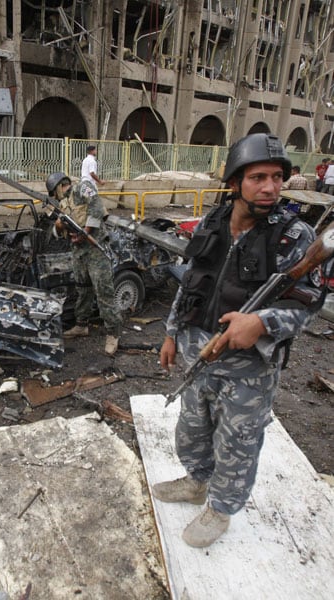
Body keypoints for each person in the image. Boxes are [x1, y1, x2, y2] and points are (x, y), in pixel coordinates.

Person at [155, 133, 322, 548]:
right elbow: (191, 282)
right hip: (199, 351)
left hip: (249, 369)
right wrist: (172, 332)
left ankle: (221, 508)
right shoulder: (214, 221)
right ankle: (197, 481)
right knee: (192, 428)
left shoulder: (295, 237)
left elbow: (309, 303)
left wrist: (262, 323)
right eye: (258, 177)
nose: (270, 187)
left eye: (277, 177)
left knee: (237, 442)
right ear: (234, 183)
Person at [47, 172, 122, 355]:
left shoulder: (82, 187)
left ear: (58, 186)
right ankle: (82, 325)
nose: (55, 197)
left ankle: (113, 333)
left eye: (54, 193)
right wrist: (60, 226)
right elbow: (57, 231)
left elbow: (96, 205)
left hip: (95, 248)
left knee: (103, 290)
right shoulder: (63, 205)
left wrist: (86, 231)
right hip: (79, 251)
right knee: (83, 288)